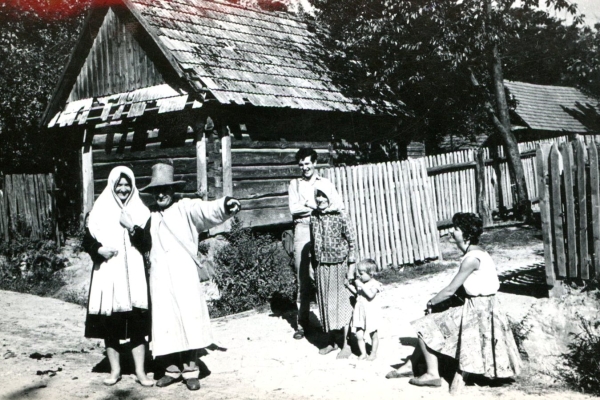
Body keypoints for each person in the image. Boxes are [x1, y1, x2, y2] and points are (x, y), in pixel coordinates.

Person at [120, 162, 241, 391]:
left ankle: (191, 370)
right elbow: (143, 243)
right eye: (157, 190)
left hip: (184, 276)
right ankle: (171, 370)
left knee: (189, 320)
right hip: (160, 278)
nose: (161, 194)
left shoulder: (186, 207)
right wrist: (130, 228)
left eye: (165, 189)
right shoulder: (150, 215)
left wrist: (225, 205)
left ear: (173, 190)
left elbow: (206, 210)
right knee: (167, 322)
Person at [386, 212, 521, 393]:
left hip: (476, 311)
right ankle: (411, 364)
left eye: (456, 229)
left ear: (466, 233)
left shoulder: (471, 259)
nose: (452, 233)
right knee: (436, 315)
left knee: (425, 325)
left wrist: (431, 302)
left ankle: (432, 374)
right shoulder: (479, 253)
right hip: (487, 308)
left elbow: (450, 289)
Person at [83, 166, 154, 387]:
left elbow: (146, 243)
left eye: (127, 185)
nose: (123, 189)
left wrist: (131, 226)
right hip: (108, 274)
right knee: (110, 326)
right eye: (119, 185)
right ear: (112, 186)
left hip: (134, 277)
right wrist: (98, 250)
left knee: (137, 327)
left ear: (132, 186)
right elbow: (86, 240)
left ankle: (140, 373)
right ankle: (115, 371)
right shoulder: (99, 209)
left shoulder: (142, 211)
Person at [288, 147, 344, 340]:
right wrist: (316, 206)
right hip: (302, 230)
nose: (305, 167)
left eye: (308, 163)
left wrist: (310, 205)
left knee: (323, 275)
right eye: (301, 164)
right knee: (302, 277)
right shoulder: (294, 184)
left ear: (315, 163)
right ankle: (302, 323)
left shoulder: (325, 183)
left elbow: (338, 204)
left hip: (323, 229)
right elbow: (294, 209)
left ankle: (329, 323)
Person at [311, 181, 356, 359]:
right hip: (321, 265)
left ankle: (346, 344)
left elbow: (352, 242)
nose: (320, 199)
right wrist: (311, 265)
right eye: (317, 195)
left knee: (342, 304)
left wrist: (351, 268)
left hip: (339, 265)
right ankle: (331, 341)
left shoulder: (341, 215)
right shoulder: (314, 216)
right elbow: (313, 241)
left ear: (331, 196)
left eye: (323, 195)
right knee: (326, 305)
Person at [345, 258, 382, 361]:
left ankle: (373, 353)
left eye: (361, 274)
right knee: (359, 334)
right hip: (360, 312)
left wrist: (361, 285)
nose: (359, 276)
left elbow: (370, 295)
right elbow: (358, 293)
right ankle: (363, 353)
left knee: (373, 334)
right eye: (358, 274)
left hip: (370, 313)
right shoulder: (362, 283)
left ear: (371, 273)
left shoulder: (375, 284)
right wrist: (349, 286)